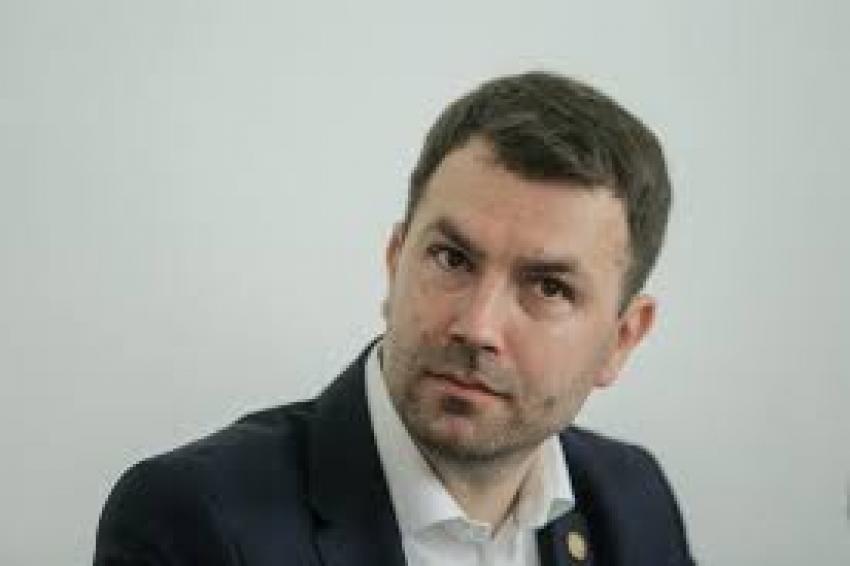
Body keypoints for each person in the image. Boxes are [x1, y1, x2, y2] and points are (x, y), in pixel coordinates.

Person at [94, 71, 695, 566]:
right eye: (452, 258)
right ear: (394, 260)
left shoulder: (634, 498)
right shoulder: (194, 520)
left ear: (621, 340)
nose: (477, 327)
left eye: (548, 287)